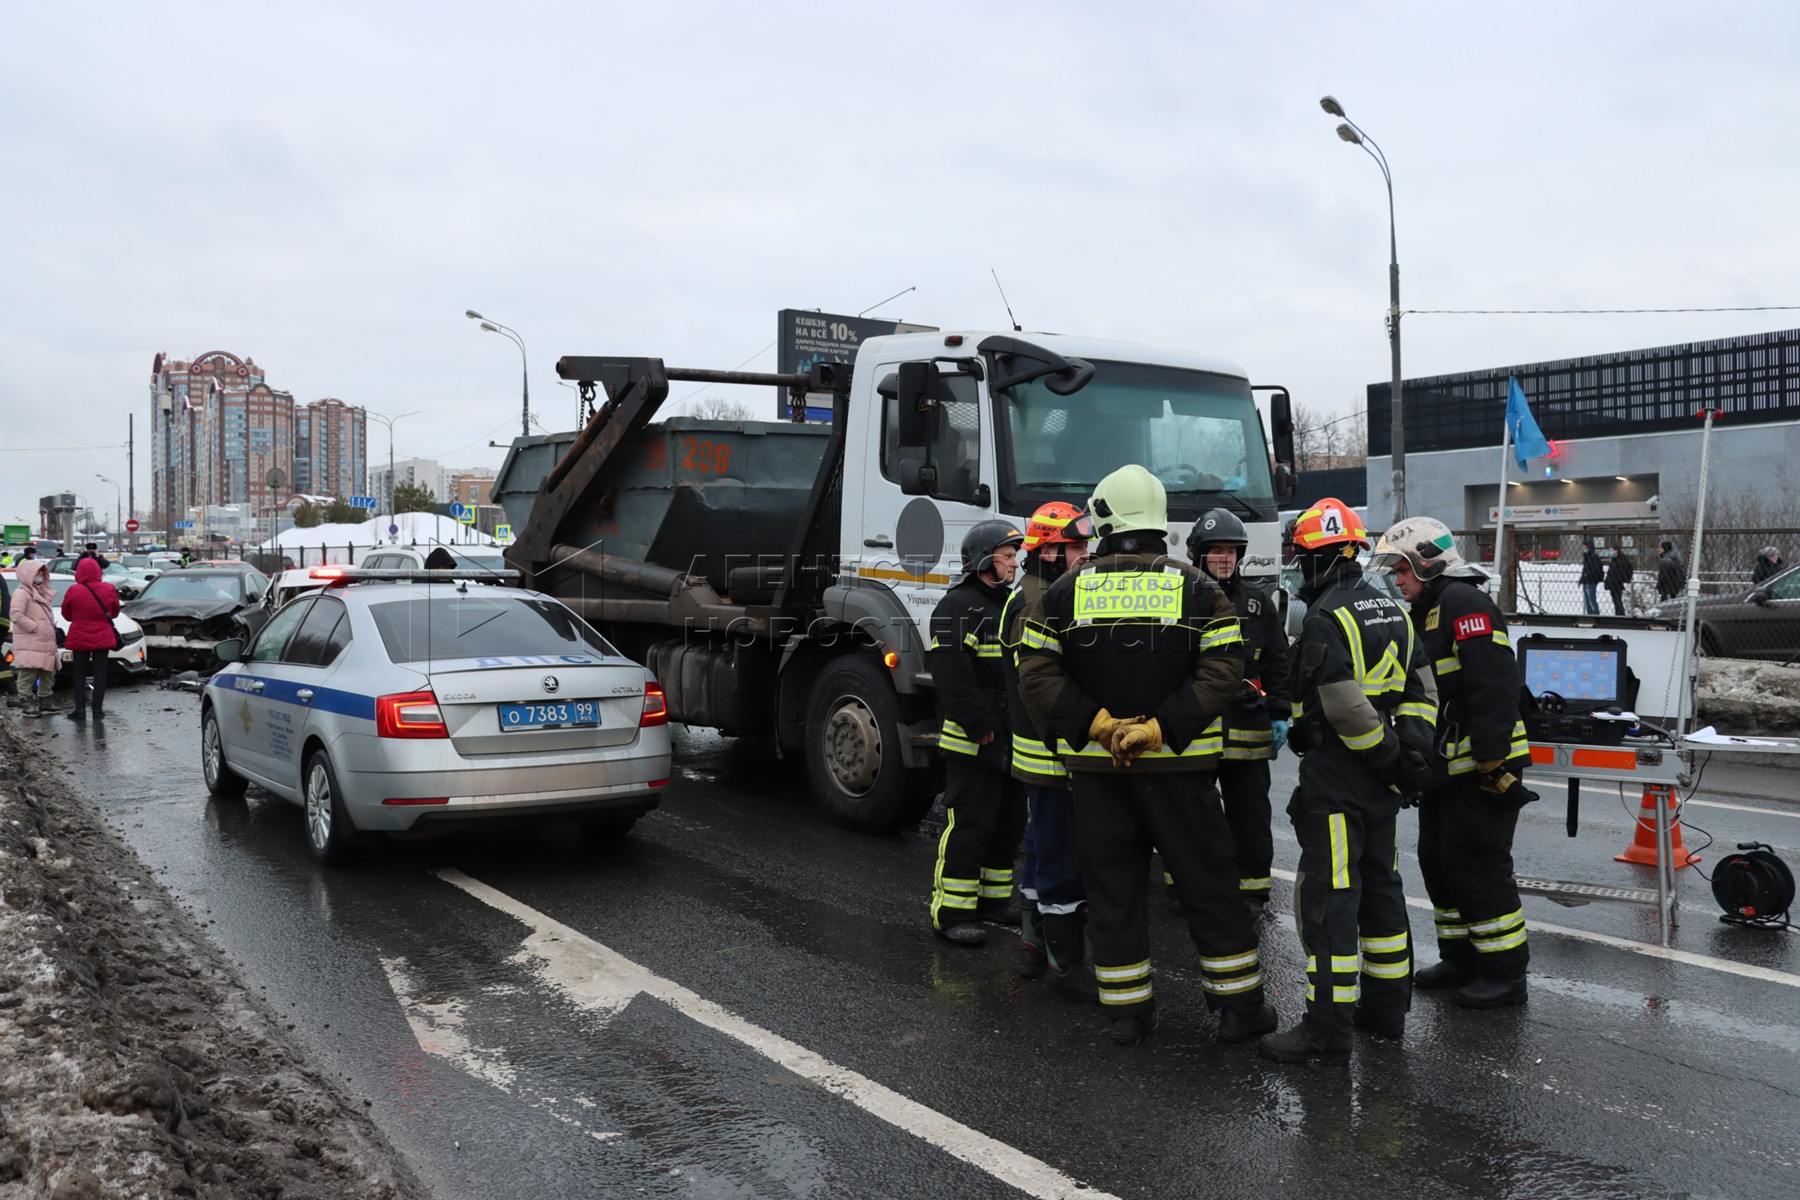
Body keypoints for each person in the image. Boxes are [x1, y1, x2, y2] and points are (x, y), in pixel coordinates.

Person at [1018, 464, 1277, 1047]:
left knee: (1113, 888)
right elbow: (1224, 669)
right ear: (1161, 523)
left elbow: (1034, 674)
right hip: (1180, 772)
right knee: (1209, 884)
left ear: (1104, 518)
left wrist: (1097, 726)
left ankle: (1127, 1015)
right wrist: (1163, 727)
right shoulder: (1200, 589)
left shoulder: (1064, 591)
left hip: (1099, 771)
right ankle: (1239, 1009)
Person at [1260, 498, 1438, 1064]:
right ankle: (1386, 1011)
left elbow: (1342, 707)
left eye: (1300, 558)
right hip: (1385, 782)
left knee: (1330, 905)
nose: (1297, 568)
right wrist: (1410, 755)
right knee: (1382, 891)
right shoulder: (1393, 607)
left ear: (1319, 558)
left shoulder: (1324, 617)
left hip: (1340, 782)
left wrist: (1386, 759)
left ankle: (1326, 1030)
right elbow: (1422, 690)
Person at [1369, 515, 1534, 1009]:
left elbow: (1494, 686)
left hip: (1482, 766)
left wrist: (1491, 761)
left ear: (1426, 561)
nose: (1396, 581)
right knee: (1439, 861)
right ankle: (1461, 956)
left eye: (1401, 570)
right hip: (1448, 769)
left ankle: (1505, 973)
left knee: (1477, 864)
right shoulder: (1430, 608)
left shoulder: (1464, 603)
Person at [1001, 501, 1096, 997]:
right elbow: (1041, 685)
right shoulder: (1039, 602)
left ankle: (1034, 948)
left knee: (1041, 848)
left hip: (1039, 749)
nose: (1084, 554)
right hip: (1050, 750)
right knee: (1060, 856)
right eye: (1075, 546)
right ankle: (1066, 967)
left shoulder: (1039, 591)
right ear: (1050, 549)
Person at [927, 520, 1029, 946]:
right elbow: (951, 674)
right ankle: (950, 912)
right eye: (1007, 556)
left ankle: (991, 901)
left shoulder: (1008, 605)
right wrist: (980, 724)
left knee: (1008, 823)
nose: (1014, 563)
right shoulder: (956, 607)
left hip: (1008, 737)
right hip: (975, 739)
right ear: (985, 559)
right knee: (971, 824)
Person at [1187, 508, 1292, 911]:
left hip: (1247, 734)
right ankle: (1190, 886)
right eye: (1216, 551)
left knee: (1250, 817)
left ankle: (1251, 890)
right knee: (1195, 817)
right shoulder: (1184, 599)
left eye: (1231, 551)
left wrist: (1279, 710)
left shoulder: (1257, 603)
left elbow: (1278, 662)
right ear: (1200, 554)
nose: (1225, 558)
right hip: (1195, 734)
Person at [60, 557, 120, 721]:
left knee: (78, 674)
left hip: (80, 636)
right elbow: (114, 612)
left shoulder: (74, 590)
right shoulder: (109, 588)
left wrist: (80, 618)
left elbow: (66, 614)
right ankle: (97, 711)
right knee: (100, 674)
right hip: (102, 636)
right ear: (99, 572)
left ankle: (80, 710)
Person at [10, 558, 62, 718]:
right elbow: (16, 614)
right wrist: (34, 627)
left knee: (48, 672)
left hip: (45, 641)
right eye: (36, 572)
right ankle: (26, 703)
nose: (39, 575)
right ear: (28, 574)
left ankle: (45, 702)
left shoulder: (41, 591)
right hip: (30, 641)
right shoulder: (21, 593)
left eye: (42, 572)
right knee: (28, 672)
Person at [1604, 546, 1633, 616]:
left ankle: (1621, 615)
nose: (1610, 552)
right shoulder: (1615, 560)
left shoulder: (1619, 561)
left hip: (1616, 584)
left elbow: (1618, 573)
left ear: (1616, 551)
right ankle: (1619, 615)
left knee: (1618, 601)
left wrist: (1613, 580)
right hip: (1614, 584)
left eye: (1611, 550)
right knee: (1616, 601)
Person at [1578, 538, 1603, 616]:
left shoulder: (1594, 556)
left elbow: (1595, 569)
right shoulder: (1586, 556)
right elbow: (1584, 569)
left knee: (1591, 600)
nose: (1583, 548)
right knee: (1587, 601)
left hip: (1591, 581)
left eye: (1585, 547)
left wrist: (1587, 575)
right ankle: (1590, 615)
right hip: (1586, 581)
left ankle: (1596, 615)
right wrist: (1581, 580)